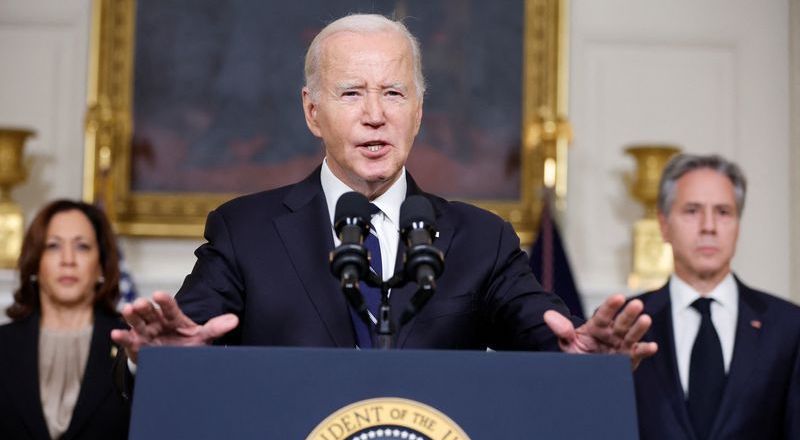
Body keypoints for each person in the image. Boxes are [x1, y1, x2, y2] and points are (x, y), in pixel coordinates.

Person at [111, 14, 656, 374]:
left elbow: (548, 336)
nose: (375, 115)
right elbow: (182, 335)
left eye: (393, 93)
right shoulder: (244, 232)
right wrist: (161, 363)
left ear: (418, 112)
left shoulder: (481, 239)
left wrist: (583, 357)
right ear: (311, 111)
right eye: (351, 93)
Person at [632, 154, 800, 440]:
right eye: (692, 211)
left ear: (738, 224)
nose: (709, 226)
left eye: (723, 212)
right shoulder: (627, 323)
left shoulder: (789, 326)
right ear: (663, 225)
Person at [0, 200, 130, 439]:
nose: (68, 259)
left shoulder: (132, 346)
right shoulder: (3, 344)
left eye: (81, 247)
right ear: (35, 264)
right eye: (53, 246)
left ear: (101, 266)